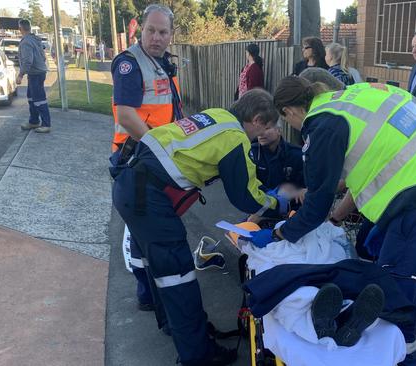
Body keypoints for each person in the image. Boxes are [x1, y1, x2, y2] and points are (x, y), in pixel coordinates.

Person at [246, 76, 416, 366]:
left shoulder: (321, 124)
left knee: (398, 289)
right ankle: (348, 320)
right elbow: (364, 176)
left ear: (289, 112)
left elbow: (314, 209)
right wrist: (336, 217)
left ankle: (403, 358)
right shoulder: (349, 98)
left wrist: (281, 233)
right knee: (392, 279)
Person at [110, 88, 288, 366]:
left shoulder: (216, 115)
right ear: (255, 119)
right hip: (149, 198)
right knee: (178, 277)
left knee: (161, 270)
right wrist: (280, 204)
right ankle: (198, 356)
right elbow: (245, 196)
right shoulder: (235, 138)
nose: (261, 136)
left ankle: (177, 327)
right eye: (264, 128)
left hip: (131, 183)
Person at [110, 4, 184, 312]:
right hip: (137, 159)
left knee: (145, 232)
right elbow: (127, 116)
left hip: (156, 158)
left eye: (163, 32)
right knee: (144, 231)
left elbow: (173, 109)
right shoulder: (130, 64)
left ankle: (149, 291)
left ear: (170, 35)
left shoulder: (164, 63)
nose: (156, 37)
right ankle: (146, 292)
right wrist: (159, 147)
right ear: (141, 29)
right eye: (151, 30)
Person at [249, 119, 304, 190]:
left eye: (266, 129)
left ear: (279, 130)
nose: (260, 133)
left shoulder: (296, 154)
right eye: (258, 129)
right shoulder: (251, 153)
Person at [17, 19, 51, 133]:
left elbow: (27, 61)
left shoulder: (26, 42)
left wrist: (20, 75)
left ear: (20, 29)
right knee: (32, 98)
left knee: (39, 99)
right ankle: (34, 121)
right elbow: (43, 56)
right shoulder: (35, 39)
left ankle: (46, 124)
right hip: (38, 72)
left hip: (35, 74)